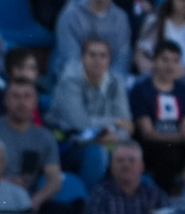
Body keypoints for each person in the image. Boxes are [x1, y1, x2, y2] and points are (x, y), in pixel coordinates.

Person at [0, 72, 63, 211]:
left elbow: (54, 179)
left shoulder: (45, 137)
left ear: (35, 101)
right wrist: (4, 183)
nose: (21, 102)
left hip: (27, 199)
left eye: (27, 96)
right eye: (15, 96)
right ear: (5, 100)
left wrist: (36, 200)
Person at [127, 38, 185, 192]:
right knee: (168, 153)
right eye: (165, 60)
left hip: (177, 142)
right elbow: (147, 132)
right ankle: (164, 200)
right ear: (154, 62)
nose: (170, 66)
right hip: (151, 144)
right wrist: (180, 137)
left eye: (175, 61)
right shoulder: (140, 90)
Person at [49, 34, 129, 171]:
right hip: (67, 141)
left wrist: (117, 135)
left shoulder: (116, 82)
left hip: (106, 138)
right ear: (82, 58)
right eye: (92, 55)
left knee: (130, 152)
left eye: (103, 56)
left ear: (109, 60)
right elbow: (80, 123)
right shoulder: (69, 81)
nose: (97, 60)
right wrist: (114, 123)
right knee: (99, 154)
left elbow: (127, 124)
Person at [53, 0, 130, 80]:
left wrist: (109, 85)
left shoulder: (121, 18)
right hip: (72, 78)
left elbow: (121, 60)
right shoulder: (71, 14)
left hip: (107, 82)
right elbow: (70, 58)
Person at [84, 137, 163, 214]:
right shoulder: (99, 197)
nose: (126, 165)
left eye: (131, 160)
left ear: (141, 166)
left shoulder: (155, 196)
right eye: (120, 160)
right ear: (111, 166)